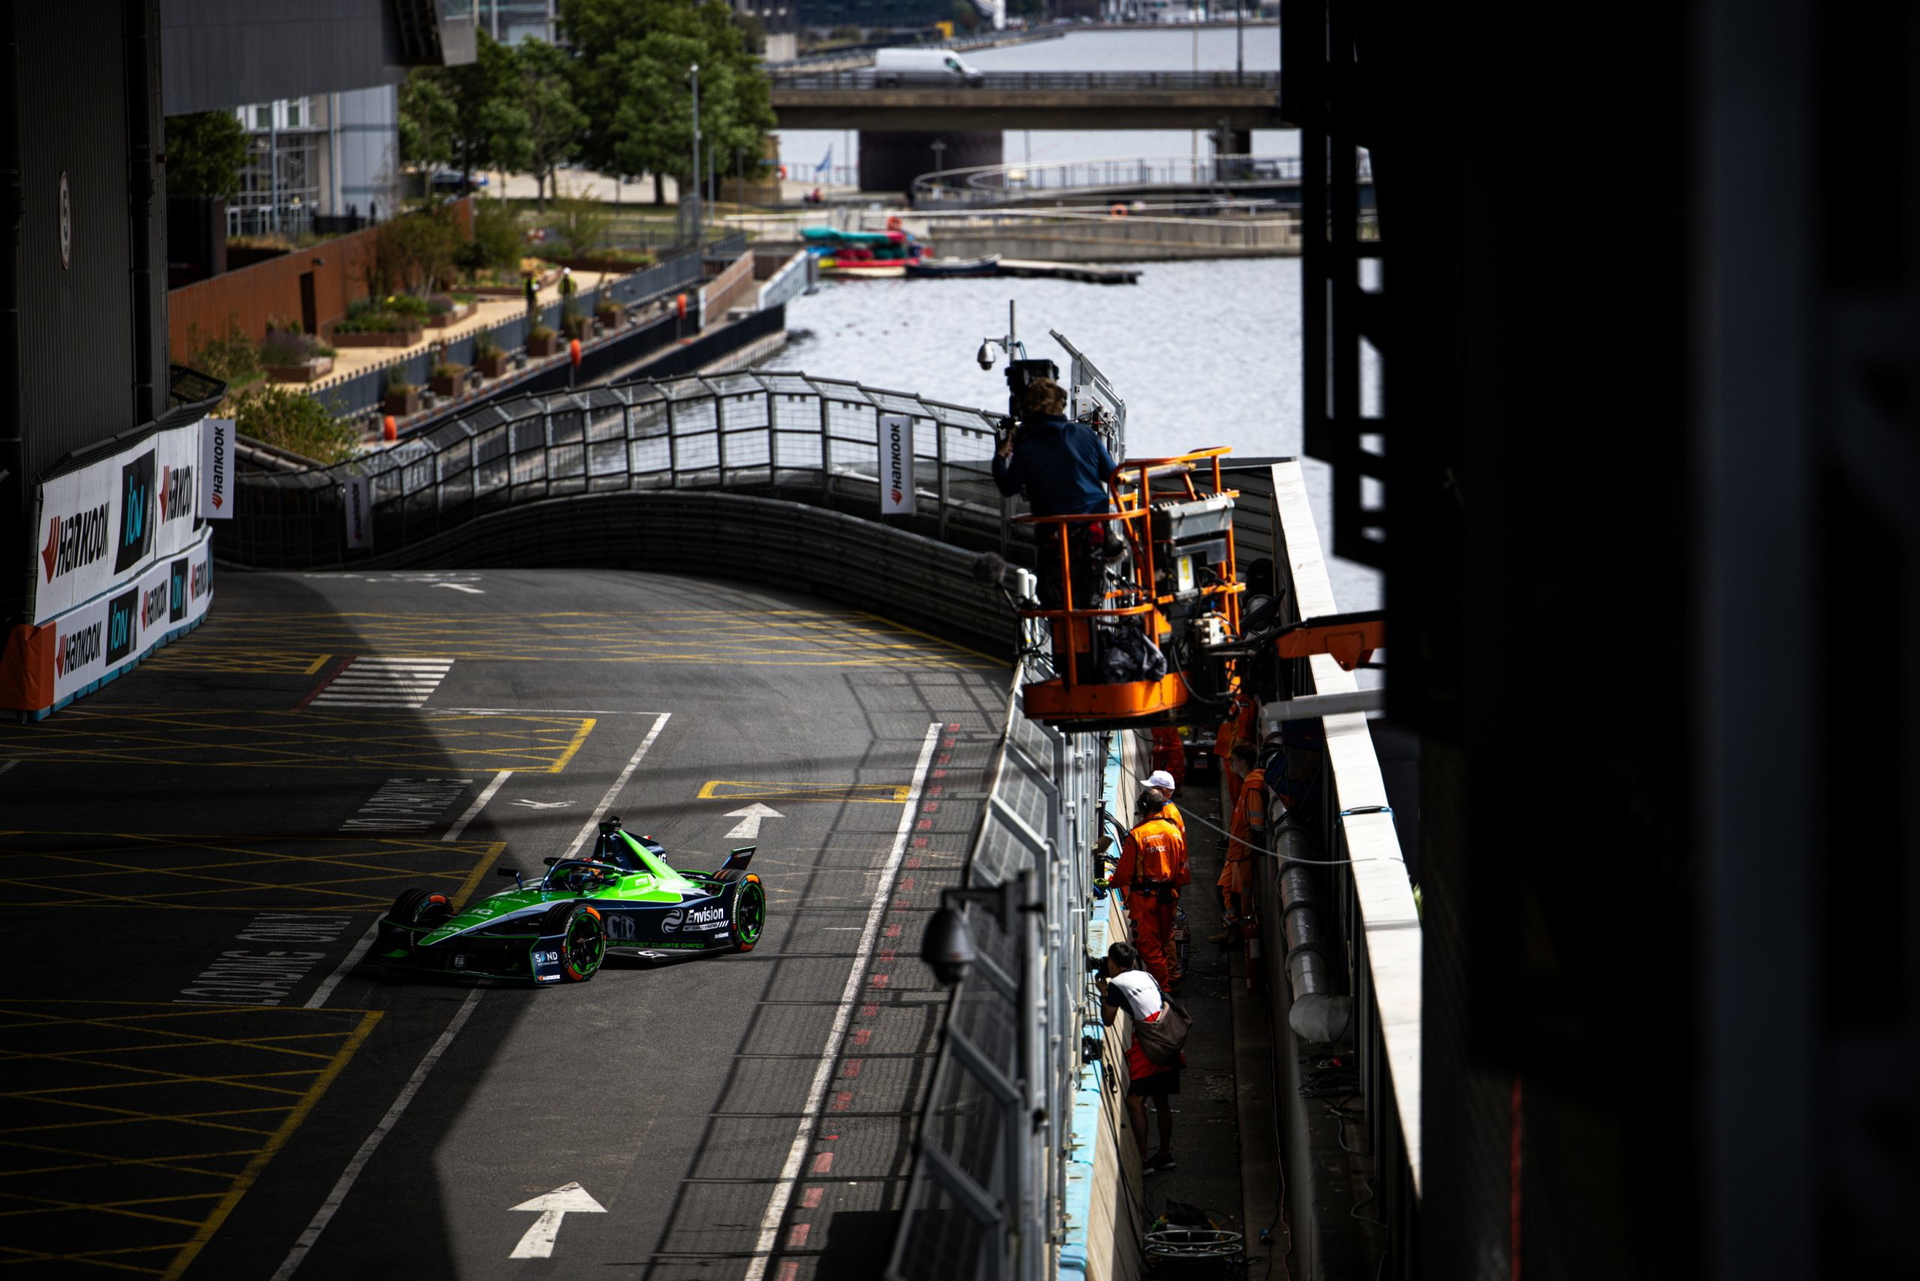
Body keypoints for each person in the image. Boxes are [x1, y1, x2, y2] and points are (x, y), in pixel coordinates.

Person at [991, 377, 1118, 614]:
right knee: (1091, 599)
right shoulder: (1084, 433)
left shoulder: (1027, 446)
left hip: (1055, 538)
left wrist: (1000, 457)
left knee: (1057, 604)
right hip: (1093, 531)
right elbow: (1112, 474)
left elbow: (1008, 487)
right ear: (1060, 406)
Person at [1099, 940, 1182, 1173]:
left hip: (1150, 1044)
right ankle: (1165, 1155)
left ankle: (1143, 1161)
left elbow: (1107, 1019)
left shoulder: (1117, 983)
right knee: (1161, 1100)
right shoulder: (1147, 976)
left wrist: (1105, 994)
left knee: (1135, 1102)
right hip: (1168, 1037)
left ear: (1113, 964)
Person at [1110, 792, 1189, 990]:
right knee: (1164, 941)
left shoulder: (1137, 834)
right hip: (1168, 897)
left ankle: (1163, 993)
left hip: (1145, 901)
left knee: (1150, 949)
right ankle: (1171, 978)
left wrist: (1110, 882)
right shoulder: (1174, 831)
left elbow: (1124, 874)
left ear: (1144, 807)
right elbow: (1182, 868)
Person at [1210, 742, 1267, 944]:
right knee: (1223, 892)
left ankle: (1240, 937)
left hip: (1242, 855)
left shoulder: (1252, 786)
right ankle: (1231, 930)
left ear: (1243, 762)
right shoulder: (1248, 784)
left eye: (1233, 760)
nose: (1231, 764)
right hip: (1235, 853)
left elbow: (1257, 824)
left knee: (1238, 897)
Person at [1143, 769, 1185, 836]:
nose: (1149, 792)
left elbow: (1167, 840)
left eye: (1152, 788)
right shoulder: (1168, 806)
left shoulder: (1167, 814)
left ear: (1162, 791)